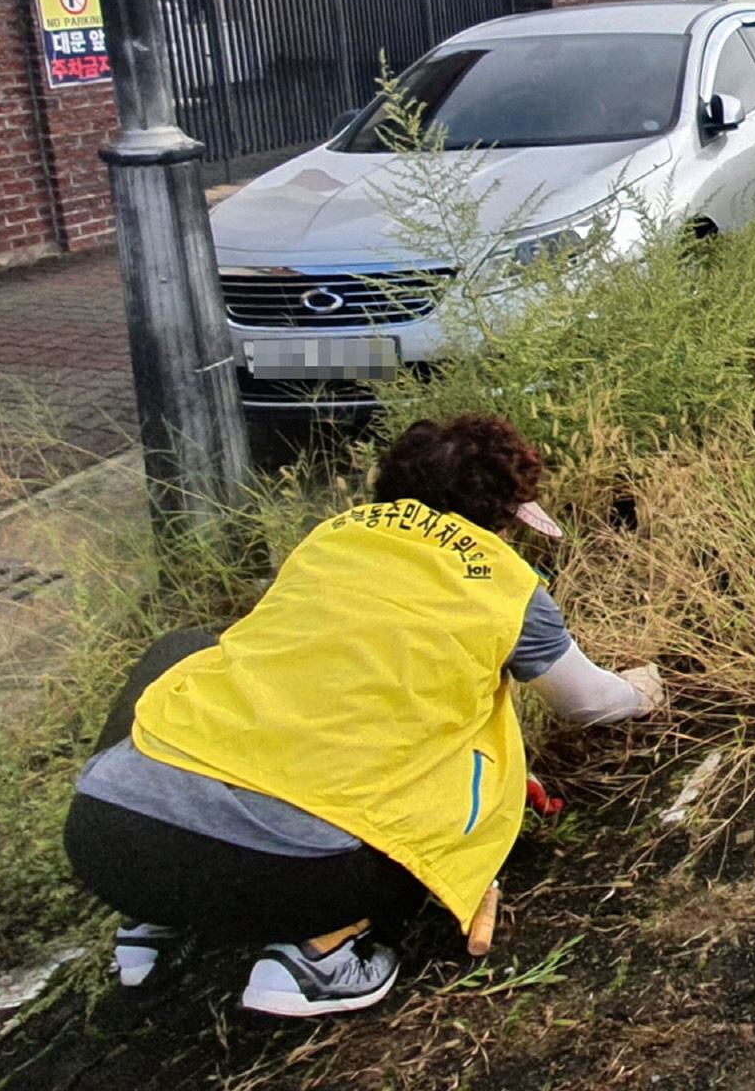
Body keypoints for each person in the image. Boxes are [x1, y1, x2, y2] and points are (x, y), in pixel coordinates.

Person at [64, 415, 663, 1017]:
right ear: (502, 517)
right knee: (444, 808)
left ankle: (154, 919)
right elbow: (589, 704)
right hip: (291, 876)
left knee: (183, 653)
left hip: (105, 843)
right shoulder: (505, 585)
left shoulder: (330, 540)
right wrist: (647, 689)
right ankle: (316, 961)